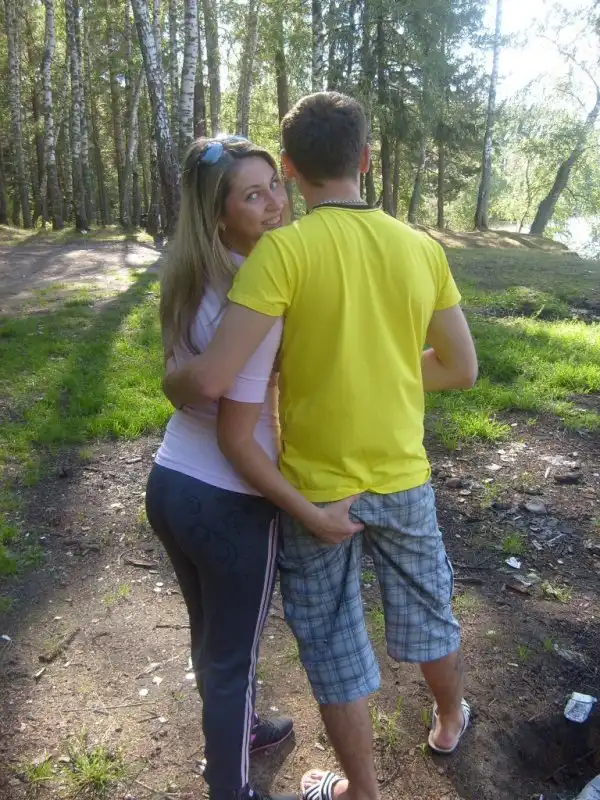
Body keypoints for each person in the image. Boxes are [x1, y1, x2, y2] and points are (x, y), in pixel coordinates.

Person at [164, 94, 478, 800]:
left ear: (290, 169)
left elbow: (217, 376)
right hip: (403, 474)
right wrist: (387, 367)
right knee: (430, 611)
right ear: (364, 159)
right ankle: (449, 720)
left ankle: (361, 790)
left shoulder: (282, 251)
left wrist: (174, 377)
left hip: (316, 489)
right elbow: (461, 368)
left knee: (334, 643)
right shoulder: (421, 248)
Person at [146, 135, 359, 800]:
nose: (275, 204)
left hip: (170, 483)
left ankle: (241, 730)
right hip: (230, 501)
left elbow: (183, 381)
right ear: (219, 215)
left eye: (275, 186)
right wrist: (311, 515)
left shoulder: (189, 276)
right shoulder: (258, 292)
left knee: (211, 636)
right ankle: (230, 787)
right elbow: (235, 432)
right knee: (232, 658)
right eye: (252, 195)